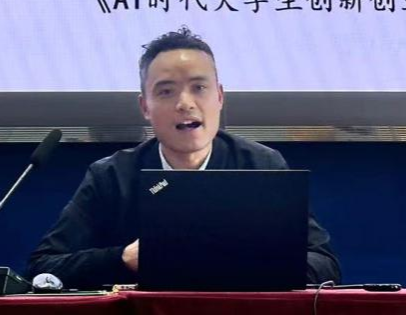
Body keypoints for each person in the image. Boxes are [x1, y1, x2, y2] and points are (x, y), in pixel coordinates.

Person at [27, 27, 340, 289]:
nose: (185, 103)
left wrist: (245, 260)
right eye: (166, 92)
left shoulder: (261, 166)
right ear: (145, 107)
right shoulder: (112, 176)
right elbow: (43, 269)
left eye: (199, 88)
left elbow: (325, 265)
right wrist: (122, 259)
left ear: (219, 97)